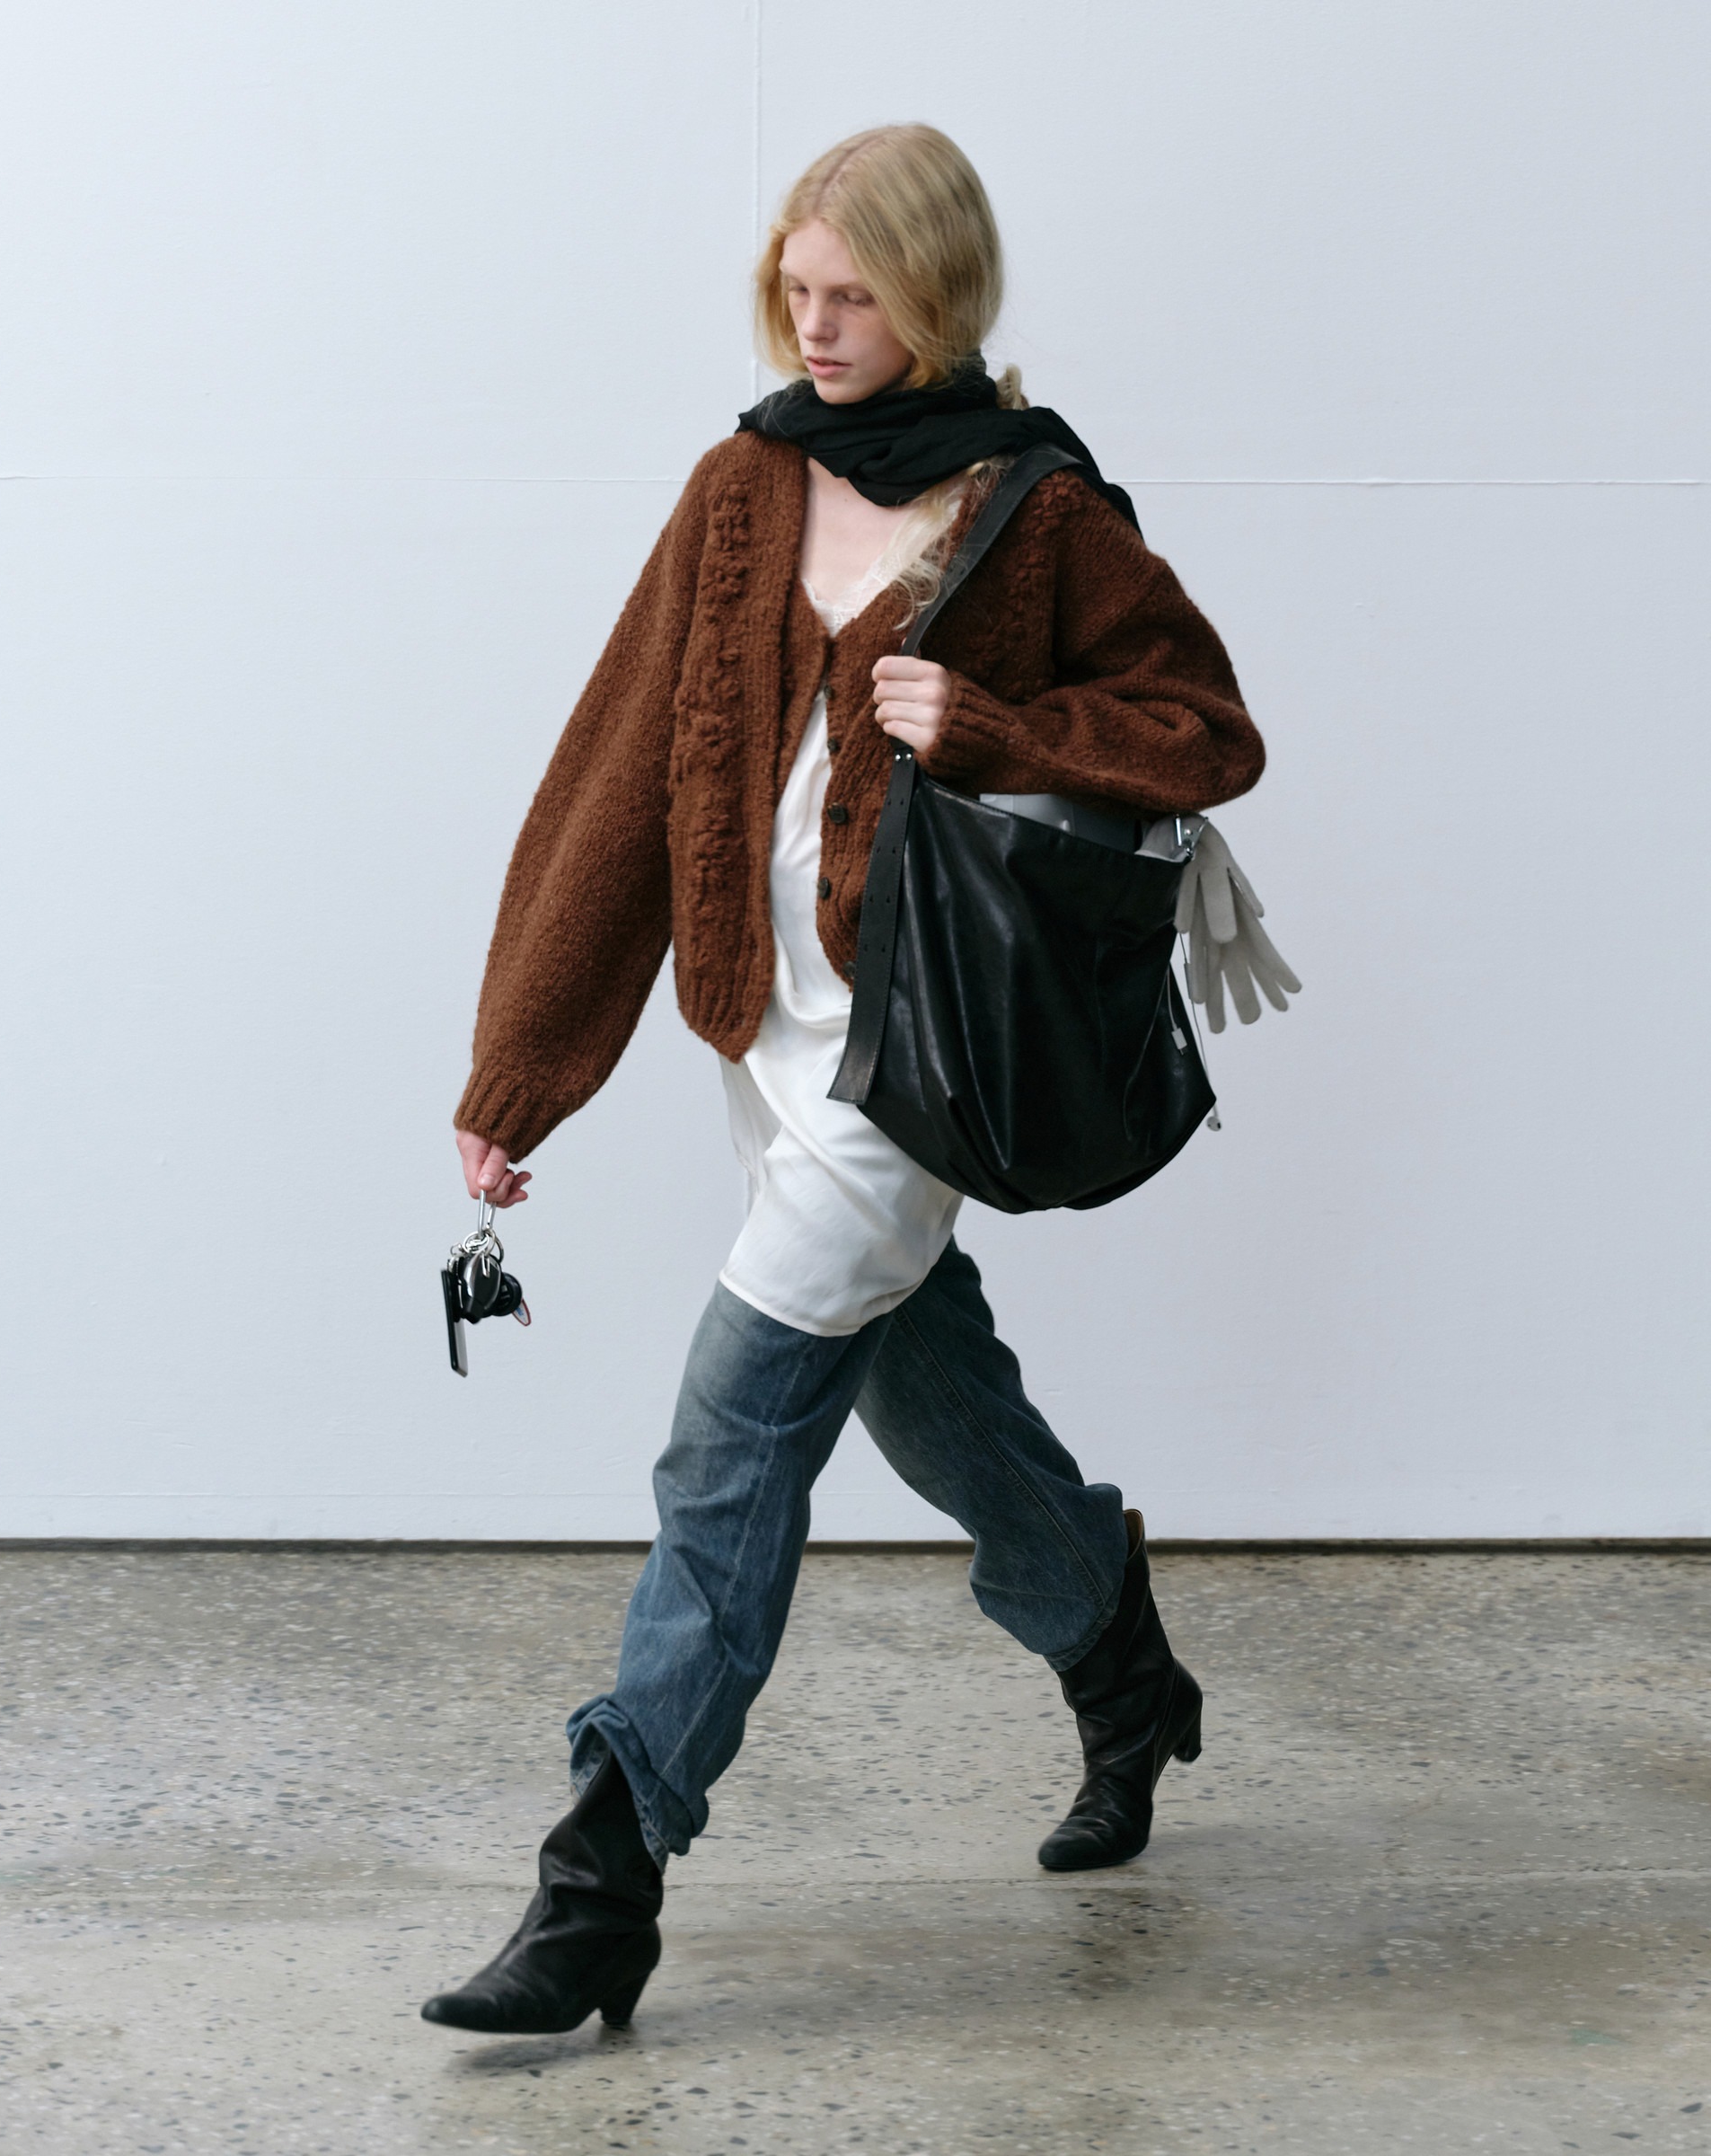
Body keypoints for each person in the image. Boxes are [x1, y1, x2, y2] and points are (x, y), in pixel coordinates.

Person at [422, 124, 1265, 2037]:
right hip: (765, 1029)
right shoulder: (743, 482)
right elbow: (618, 771)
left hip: (918, 1050)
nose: (815, 327)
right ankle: (1120, 1660)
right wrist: (521, 1070)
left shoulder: (1037, 509)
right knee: (922, 1387)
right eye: (794, 291)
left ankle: (603, 1875)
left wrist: (997, 724)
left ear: (938, 293)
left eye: (855, 295)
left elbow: (1205, 728)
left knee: (729, 1438)